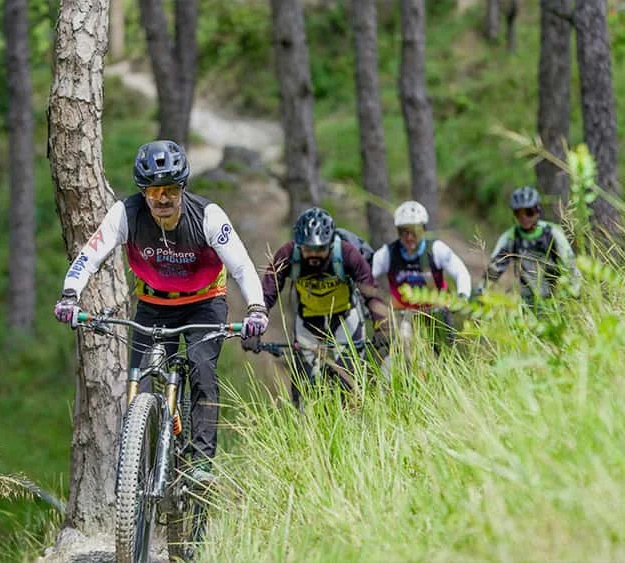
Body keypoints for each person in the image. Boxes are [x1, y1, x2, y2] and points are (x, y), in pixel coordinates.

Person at [53, 139, 268, 485]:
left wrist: (256, 308)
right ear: (143, 193)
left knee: (201, 367)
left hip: (203, 302)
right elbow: (89, 256)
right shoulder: (126, 214)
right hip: (154, 304)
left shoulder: (209, 217)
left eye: (169, 189)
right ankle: (145, 461)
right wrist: (69, 295)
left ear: (182, 186)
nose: (162, 199)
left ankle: (200, 463)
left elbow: (242, 267)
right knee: (142, 373)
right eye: (153, 193)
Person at [244, 207, 389, 404]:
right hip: (308, 323)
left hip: (345, 318)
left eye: (319, 249)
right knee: (304, 388)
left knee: (350, 382)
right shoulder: (287, 254)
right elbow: (267, 293)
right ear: (299, 244)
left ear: (330, 245)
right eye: (307, 248)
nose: (313, 254)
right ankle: (305, 428)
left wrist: (382, 326)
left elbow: (370, 291)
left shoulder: (347, 253)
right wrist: (254, 328)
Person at [370, 201, 472, 343]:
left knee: (444, 352)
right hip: (403, 317)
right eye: (404, 232)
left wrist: (462, 296)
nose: (409, 237)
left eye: (414, 231)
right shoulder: (387, 253)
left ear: (423, 229)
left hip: (437, 314)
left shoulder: (436, 249)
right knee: (401, 348)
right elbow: (366, 275)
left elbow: (461, 272)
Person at [482, 186, 581, 308]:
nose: (524, 218)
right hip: (529, 302)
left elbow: (571, 267)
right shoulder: (510, 237)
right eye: (518, 213)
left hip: (559, 298)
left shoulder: (553, 233)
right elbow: (492, 271)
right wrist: (480, 296)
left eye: (529, 212)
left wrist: (575, 296)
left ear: (538, 210)